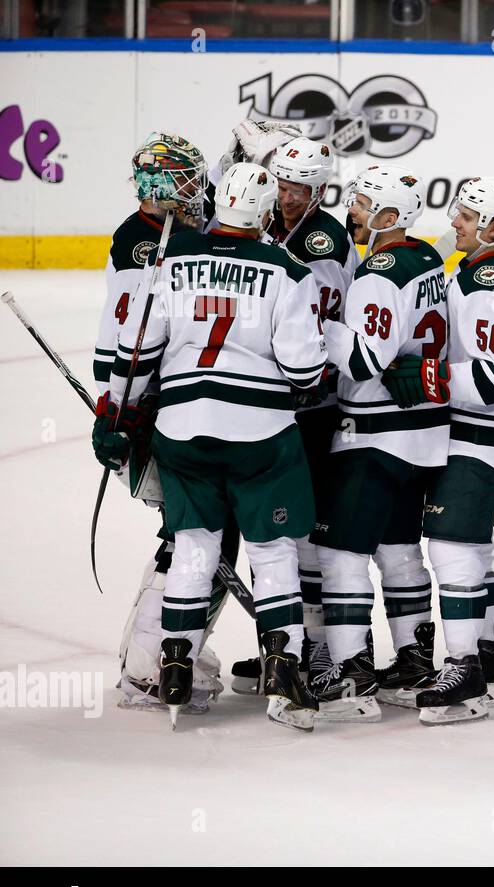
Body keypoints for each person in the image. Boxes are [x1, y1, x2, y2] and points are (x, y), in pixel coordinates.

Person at [92, 162, 325, 731]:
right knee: (273, 550)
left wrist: (116, 418)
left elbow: (136, 353)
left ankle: (174, 662)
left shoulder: (173, 261)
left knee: (195, 542)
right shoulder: (288, 270)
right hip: (260, 437)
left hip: (182, 432)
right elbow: (305, 369)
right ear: (267, 212)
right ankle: (284, 664)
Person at [97, 131, 235, 716]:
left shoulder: (167, 235)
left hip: (163, 411)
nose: (194, 188)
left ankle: (160, 655)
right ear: (158, 185)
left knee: (191, 536)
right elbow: (127, 347)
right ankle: (154, 664)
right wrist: (122, 417)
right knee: (196, 538)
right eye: (184, 178)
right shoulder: (144, 247)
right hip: (154, 416)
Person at [312, 164, 449, 723]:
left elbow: (368, 361)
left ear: (391, 217)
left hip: (375, 434)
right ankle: (415, 659)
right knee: (398, 549)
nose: (354, 212)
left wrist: (317, 325)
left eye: (365, 205)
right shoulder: (430, 260)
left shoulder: (378, 273)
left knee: (340, 552)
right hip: (424, 435)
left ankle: (350, 671)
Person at [227, 135, 363, 695]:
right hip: (283, 400)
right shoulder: (280, 225)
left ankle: (313, 649)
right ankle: (286, 646)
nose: (285, 197)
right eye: (281, 185)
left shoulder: (323, 241)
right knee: (282, 527)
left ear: (320, 190)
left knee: (300, 530)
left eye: (298, 189)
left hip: (315, 405)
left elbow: (318, 324)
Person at [415, 177, 494, 725]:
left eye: (464, 216)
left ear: (491, 228)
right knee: (475, 550)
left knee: (451, 545)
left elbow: (489, 379)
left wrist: (424, 378)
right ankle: (486, 657)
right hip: (492, 431)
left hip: (482, 430)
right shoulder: (482, 269)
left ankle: (464, 669)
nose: (453, 223)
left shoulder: (487, 280)